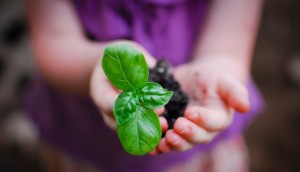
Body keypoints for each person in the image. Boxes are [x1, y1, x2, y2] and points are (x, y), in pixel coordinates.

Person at [24, 0, 264, 171]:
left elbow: (229, 44)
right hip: (84, 133)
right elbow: (51, 39)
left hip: (196, 150)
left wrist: (219, 69)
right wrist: (97, 64)